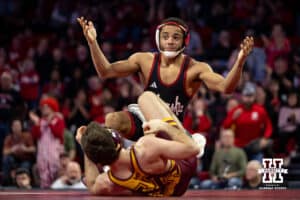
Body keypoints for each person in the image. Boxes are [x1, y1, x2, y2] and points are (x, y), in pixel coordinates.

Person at [77, 16, 254, 141]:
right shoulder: (144, 60)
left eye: (175, 37)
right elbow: (106, 71)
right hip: (145, 123)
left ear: (185, 41)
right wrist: (93, 43)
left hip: (170, 130)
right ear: (158, 38)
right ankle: (114, 167)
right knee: (112, 120)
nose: (170, 41)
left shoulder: (195, 68)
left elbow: (226, 88)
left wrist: (239, 63)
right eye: (165, 36)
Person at [76, 91, 205, 196]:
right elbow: (194, 149)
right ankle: (182, 132)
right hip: (186, 162)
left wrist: (85, 146)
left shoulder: (108, 181)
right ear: (116, 137)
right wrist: (163, 127)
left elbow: (92, 185)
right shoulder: (145, 147)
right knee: (146, 98)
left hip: (175, 192)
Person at [222, 82, 273, 161]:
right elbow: (225, 126)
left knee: (256, 169)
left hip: (255, 146)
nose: (248, 99)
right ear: (242, 96)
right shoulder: (236, 110)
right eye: (246, 96)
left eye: (251, 96)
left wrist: (265, 138)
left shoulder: (260, 110)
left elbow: (268, 126)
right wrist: (233, 118)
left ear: (254, 97)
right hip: (238, 146)